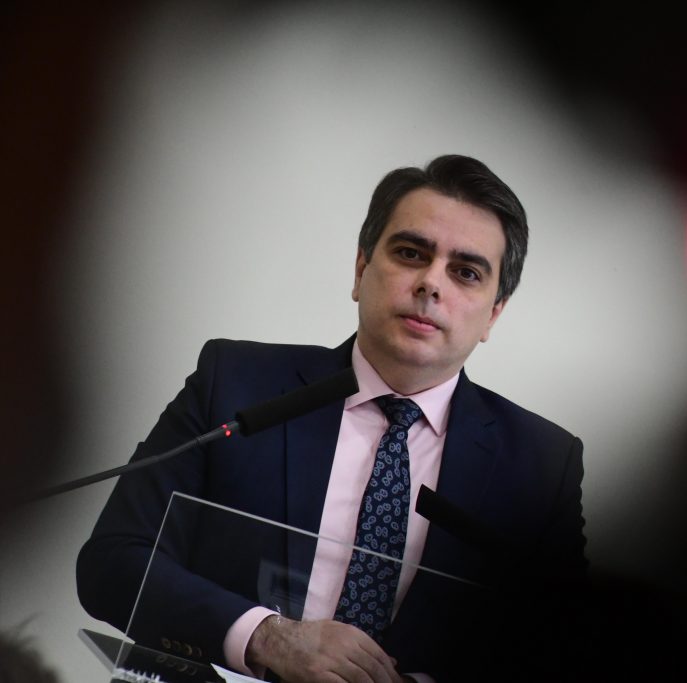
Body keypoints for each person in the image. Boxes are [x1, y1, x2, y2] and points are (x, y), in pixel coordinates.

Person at [77, 155, 588, 683]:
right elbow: (112, 563)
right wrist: (267, 637)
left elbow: (564, 650)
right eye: (411, 253)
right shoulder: (236, 384)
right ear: (361, 269)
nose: (431, 283)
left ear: (494, 313)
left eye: (466, 272)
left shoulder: (541, 466)